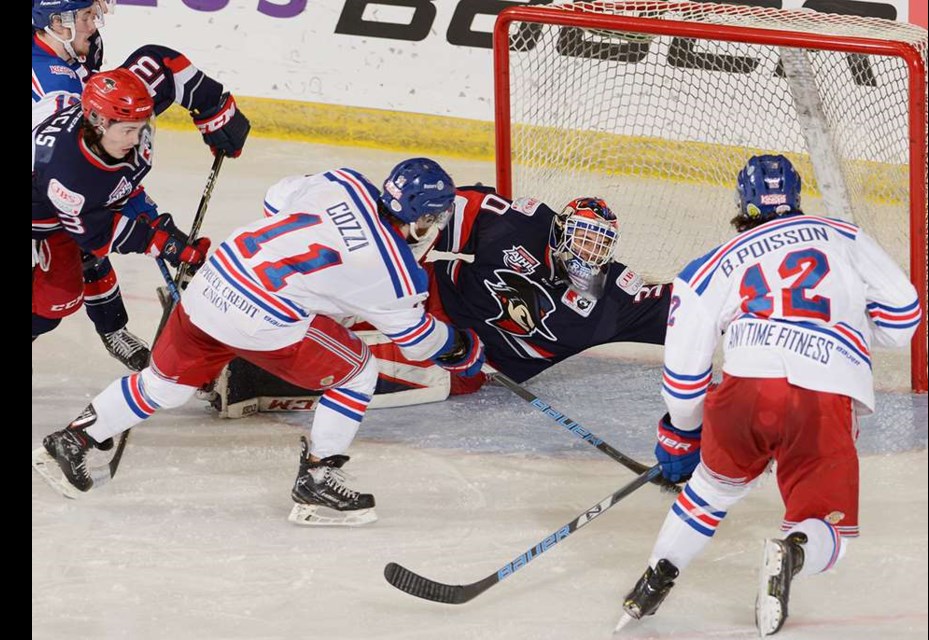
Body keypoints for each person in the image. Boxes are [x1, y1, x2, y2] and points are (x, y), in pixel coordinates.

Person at [32, 158, 486, 528]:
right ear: (425, 217)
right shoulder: (394, 272)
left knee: (164, 386)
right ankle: (319, 474)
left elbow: (275, 200)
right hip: (262, 322)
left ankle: (73, 439)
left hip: (212, 283)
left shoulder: (344, 182)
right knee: (357, 371)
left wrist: (316, 275)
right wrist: (464, 350)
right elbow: (418, 340)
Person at [615, 155, 921, 636]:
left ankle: (653, 581)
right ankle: (794, 550)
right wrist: (850, 332)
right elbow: (904, 317)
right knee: (831, 529)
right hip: (824, 397)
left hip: (746, 393)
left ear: (743, 203)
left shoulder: (708, 265)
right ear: (797, 198)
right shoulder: (843, 235)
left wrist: (682, 433)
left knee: (710, 492)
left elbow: (684, 378)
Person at [208, 184, 672, 415]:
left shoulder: (614, 299)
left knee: (375, 370)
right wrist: (394, 267)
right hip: (428, 293)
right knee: (350, 293)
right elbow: (435, 212)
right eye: (583, 239)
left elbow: (683, 310)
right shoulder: (515, 225)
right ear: (558, 232)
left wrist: (742, 306)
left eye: (600, 245)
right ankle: (240, 306)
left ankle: (252, 382)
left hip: (466, 362)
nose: (589, 253)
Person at [32, 0, 251, 371]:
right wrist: (154, 234)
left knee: (86, 242)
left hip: (71, 179)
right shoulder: (52, 101)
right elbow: (89, 201)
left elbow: (159, 64)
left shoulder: (77, 49)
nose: (94, 23)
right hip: (47, 193)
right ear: (55, 22)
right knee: (59, 295)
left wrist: (215, 108)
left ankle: (112, 328)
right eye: (86, 16)